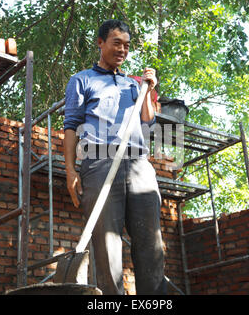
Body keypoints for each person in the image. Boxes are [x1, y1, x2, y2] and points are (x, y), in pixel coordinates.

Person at [63, 19, 167, 295]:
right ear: (100, 43)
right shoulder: (82, 80)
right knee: (107, 244)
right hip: (98, 163)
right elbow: (71, 126)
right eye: (116, 43)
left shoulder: (133, 85)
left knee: (150, 241)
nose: (122, 50)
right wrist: (71, 171)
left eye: (127, 45)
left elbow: (147, 121)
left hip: (138, 164)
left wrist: (148, 88)